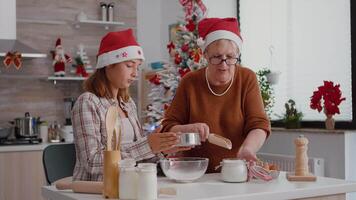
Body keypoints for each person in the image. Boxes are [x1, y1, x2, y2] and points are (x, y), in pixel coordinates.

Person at [72, 29, 188, 181]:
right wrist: (148, 146)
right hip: (95, 190)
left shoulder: (128, 105)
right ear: (108, 64)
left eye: (138, 66)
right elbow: (92, 161)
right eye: (129, 65)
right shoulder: (88, 102)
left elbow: (139, 158)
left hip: (129, 185)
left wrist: (162, 151)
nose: (135, 73)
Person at [161, 18, 271, 173]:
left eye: (230, 57)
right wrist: (188, 128)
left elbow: (259, 124)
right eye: (217, 57)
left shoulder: (247, 78)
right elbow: (167, 128)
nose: (224, 64)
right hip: (194, 172)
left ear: (237, 55)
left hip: (235, 171)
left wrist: (248, 149)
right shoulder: (190, 82)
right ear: (205, 54)